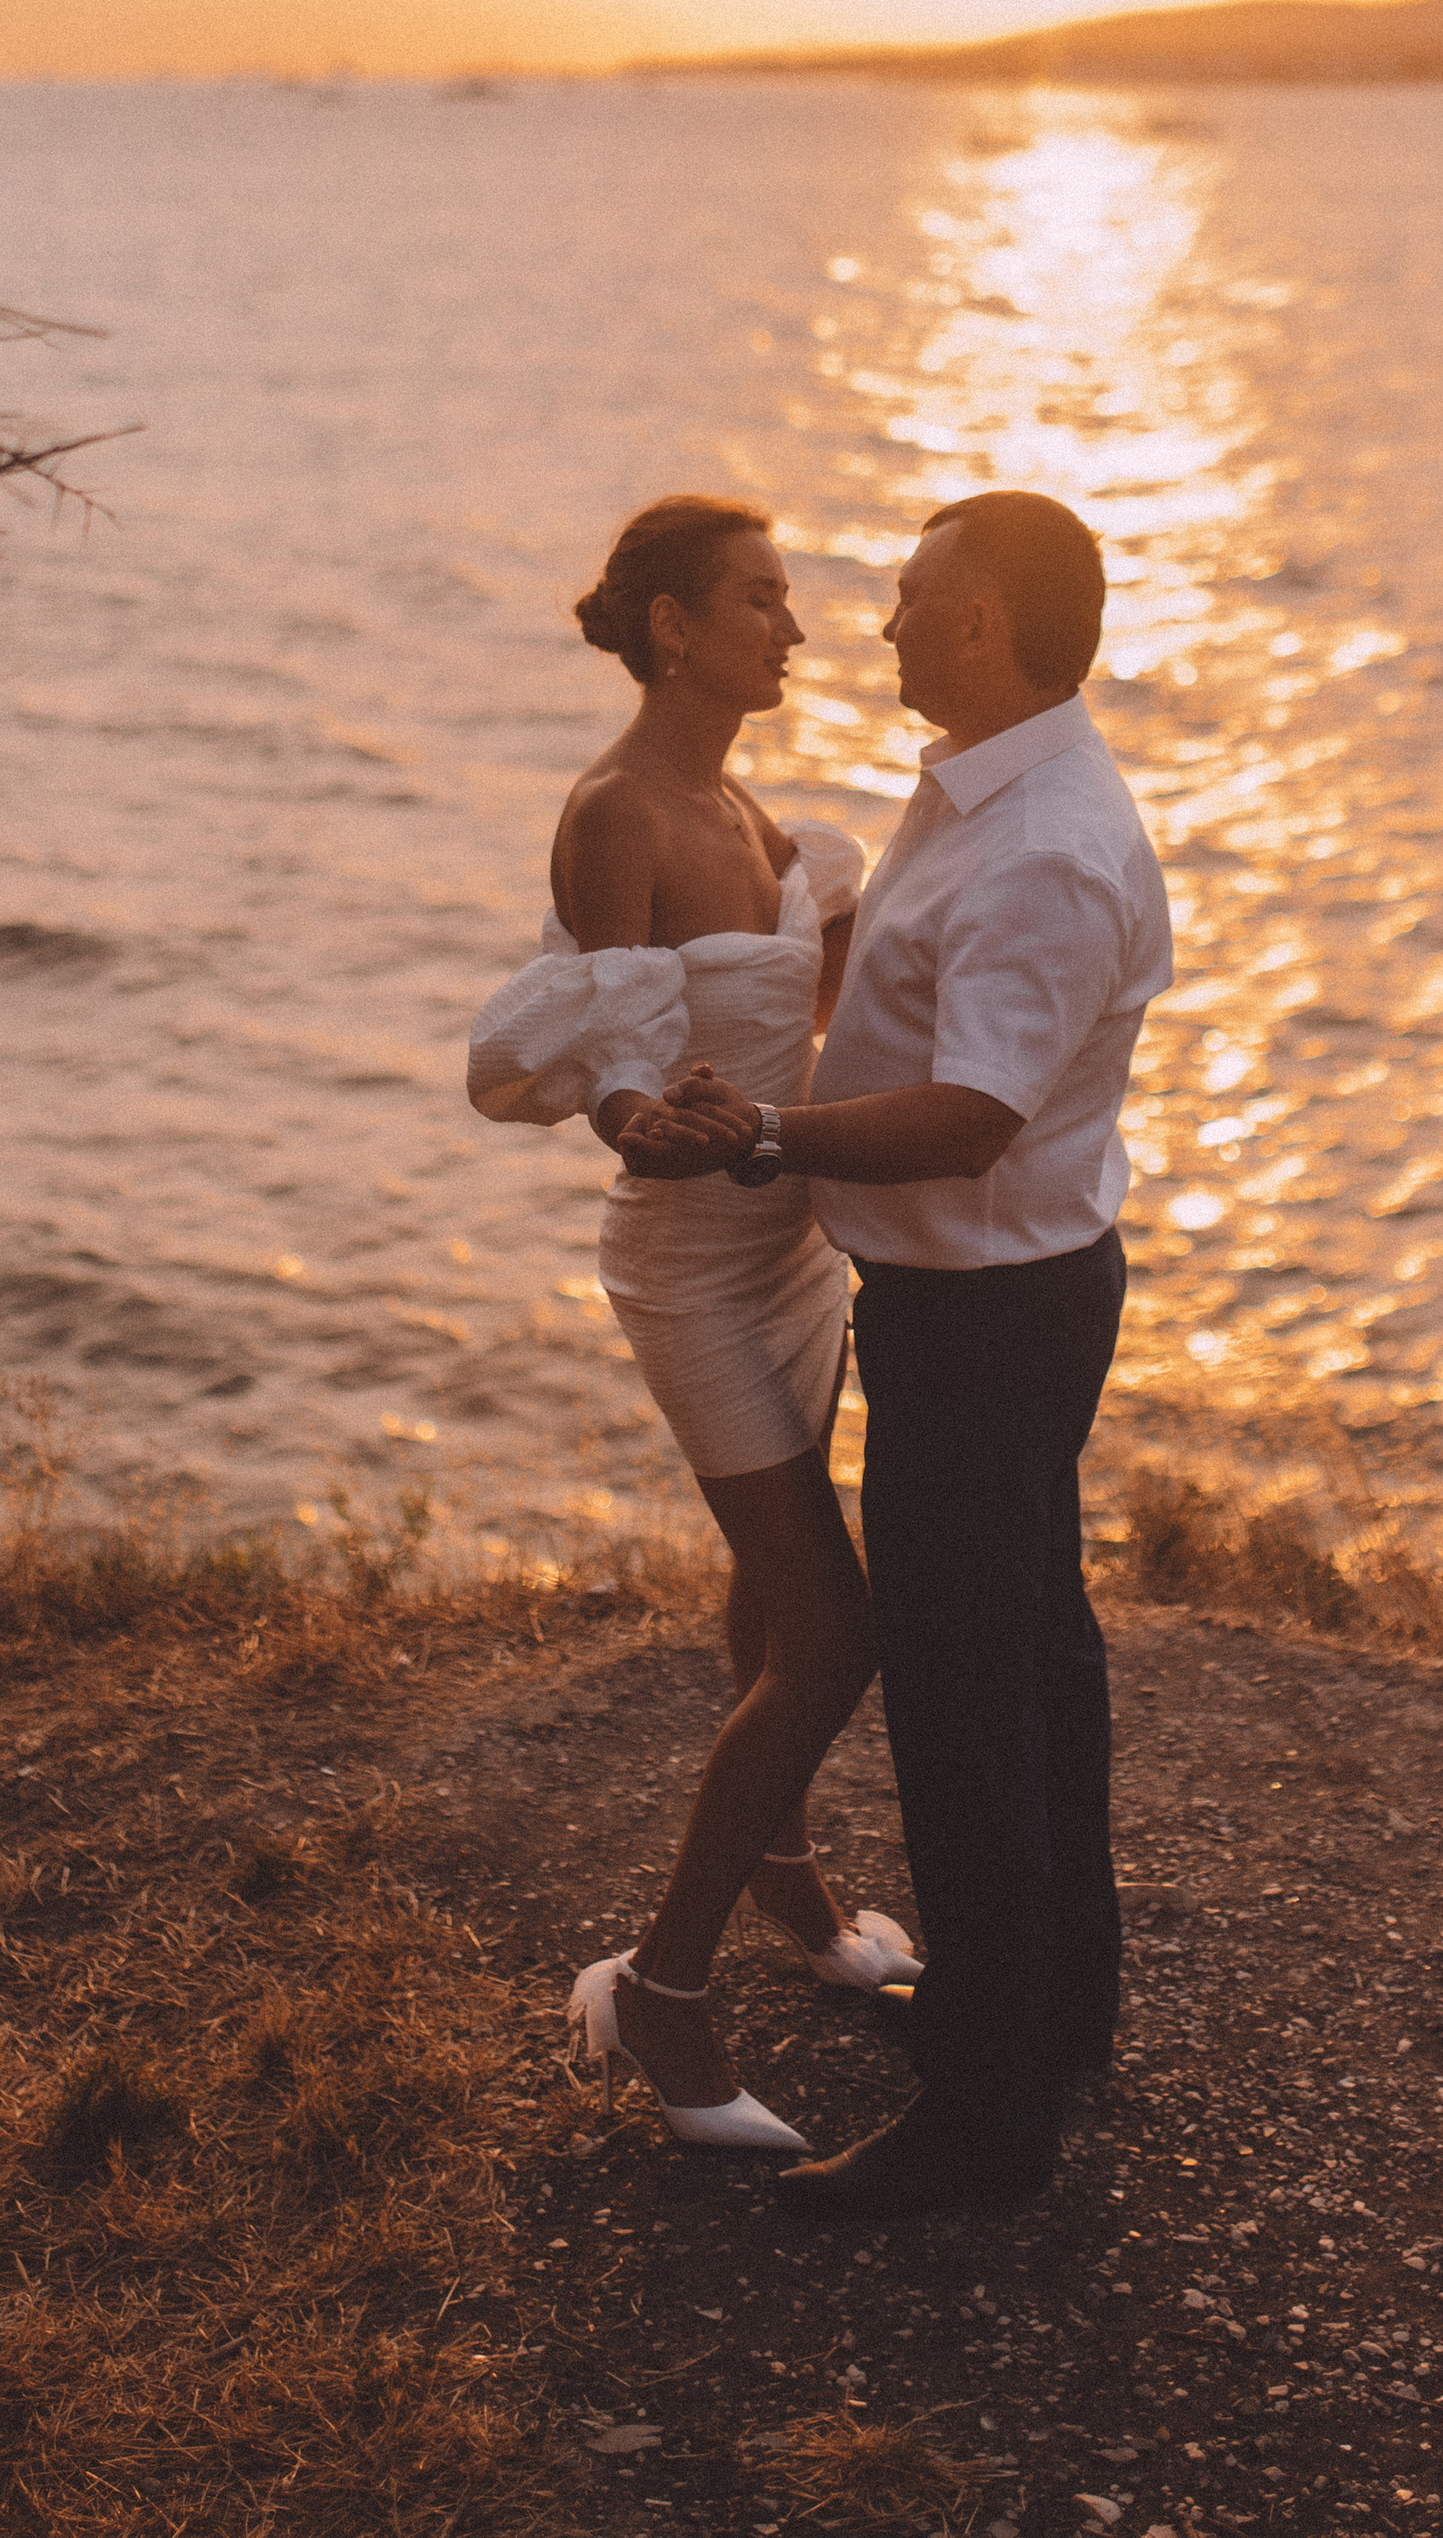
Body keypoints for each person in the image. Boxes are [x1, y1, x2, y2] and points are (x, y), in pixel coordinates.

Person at [623, 489, 1172, 2220]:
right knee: (1035, 1661)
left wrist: (771, 1138)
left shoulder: (1045, 849)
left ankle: (989, 2123)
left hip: (990, 1316)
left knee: (962, 1704)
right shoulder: (990, 785)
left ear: (990, 630)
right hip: (1003, 1301)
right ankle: (1050, 2009)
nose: (880, 627)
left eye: (915, 601)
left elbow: (972, 1119)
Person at [466, 494, 920, 2160]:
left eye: (789, 602)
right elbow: (617, 1053)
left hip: (795, 1246)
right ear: (675, 625)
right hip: (693, 1267)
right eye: (761, 600)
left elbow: (808, 1012)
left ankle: (788, 1880)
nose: (795, 631)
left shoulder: (755, 805)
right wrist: (643, 1117)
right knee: (834, 1635)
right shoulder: (618, 811)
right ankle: (658, 1990)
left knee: (766, 1594)